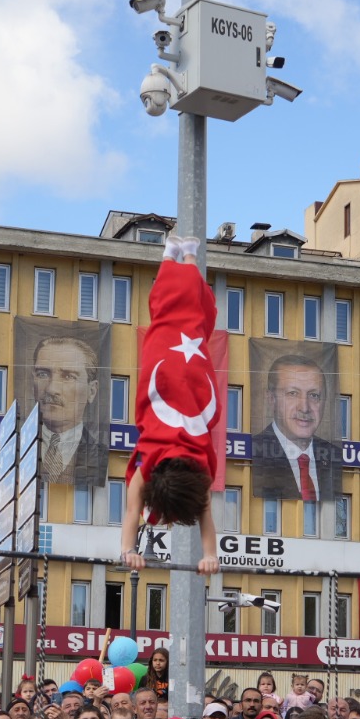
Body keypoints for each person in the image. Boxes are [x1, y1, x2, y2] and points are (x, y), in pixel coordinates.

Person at [118, 238, 222, 571]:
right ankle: (172, 255)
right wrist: (127, 550)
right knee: (164, 316)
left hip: (189, 376)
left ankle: (186, 255)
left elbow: (205, 518)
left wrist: (211, 555)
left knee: (193, 319)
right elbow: (132, 512)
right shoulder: (147, 467)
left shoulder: (200, 472)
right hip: (168, 369)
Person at [252, 352, 341, 502]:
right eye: (292, 393)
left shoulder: (336, 457)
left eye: (314, 395)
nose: (305, 408)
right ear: (271, 399)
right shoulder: (253, 451)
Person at [32, 332, 106, 487]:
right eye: (43, 374)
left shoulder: (99, 454)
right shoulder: (18, 448)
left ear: (91, 391)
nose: (52, 389)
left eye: (68, 377)